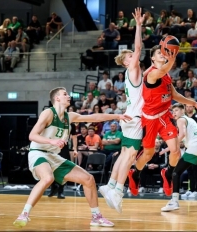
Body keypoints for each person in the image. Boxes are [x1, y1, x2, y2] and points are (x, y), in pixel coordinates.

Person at [13, 87, 131, 228]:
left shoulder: (70, 116)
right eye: (65, 94)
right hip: (38, 152)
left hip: (53, 156)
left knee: (88, 179)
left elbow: (93, 117)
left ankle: (96, 216)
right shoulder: (48, 113)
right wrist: (52, 141)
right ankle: (24, 214)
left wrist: (117, 116)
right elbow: (32, 135)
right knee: (48, 178)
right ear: (57, 98)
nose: (68, 96)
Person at [128, 45, 197, 197]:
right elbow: (162, 70)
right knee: (148, 154)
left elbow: (174, 95)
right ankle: (135, 173)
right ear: (152, 58)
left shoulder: (166, 75)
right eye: (159, 53)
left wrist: (193, 103)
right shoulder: (151, 74)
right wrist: (172, 56)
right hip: (149, 119)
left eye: (163, 53)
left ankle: (168, 173)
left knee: (176, 150)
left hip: (164, 116)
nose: (162, 55)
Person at [98, 8, 145, 214]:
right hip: (134, 119)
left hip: (129, 117)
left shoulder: (128, 74)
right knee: (130, 155)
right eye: (130, 56)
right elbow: (138, 46)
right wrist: (139, 26)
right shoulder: (133, 70)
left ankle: (109, 185)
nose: (133, 56)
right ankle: (117, 190)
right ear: (127, 61)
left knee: (124, 153)